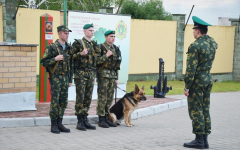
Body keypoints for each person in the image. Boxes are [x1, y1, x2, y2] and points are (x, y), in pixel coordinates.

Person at [183, 16, 218, 149]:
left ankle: (199, 140)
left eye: (193, 30)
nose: (193, 32)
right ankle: (205, 140)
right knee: (205, 109)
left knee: (196, 109)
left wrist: (187, 86)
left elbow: (191, 69)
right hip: (208, 78)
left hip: (197, 81)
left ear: (198, 30)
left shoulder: (195, 46)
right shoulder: (211, 43)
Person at [72, 23, 106, 131]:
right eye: (90, 30)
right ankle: (80, 121)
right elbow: (71, 57)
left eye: (93, 31)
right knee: (80, 98)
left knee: (88, 98)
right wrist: (80, 54)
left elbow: (96, 60)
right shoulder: (78, 43)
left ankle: (85, 120)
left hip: (91, 74)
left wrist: (95, 73)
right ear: (84, 31)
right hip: (81, 74)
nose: (92, 32)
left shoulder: (94, 44)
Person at [41, 25, 74, 134]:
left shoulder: (69, 47)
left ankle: (60, 123)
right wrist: (55, 59)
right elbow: (43, 62)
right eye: (65, 33)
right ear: (59, 33)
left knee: (63, 102)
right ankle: (54, 124)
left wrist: (70, 79)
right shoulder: (52, 47)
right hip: (55, 78)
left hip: (65, 78)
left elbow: (71, 64)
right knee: (55, 102)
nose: (67, 35)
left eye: (68, 33)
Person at [96, 30, 122, 128]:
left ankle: (107, 117)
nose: (113, 38)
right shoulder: (101, 47)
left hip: (111, 76)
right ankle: (101, 118)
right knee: (102, 97)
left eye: (114, 36)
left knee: (109, 98)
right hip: (103, 75)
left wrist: (116, 78)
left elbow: (117, 65)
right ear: (106, 37)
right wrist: (106, 56)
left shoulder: (115, 48)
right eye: (111, 36)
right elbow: (97, 61)